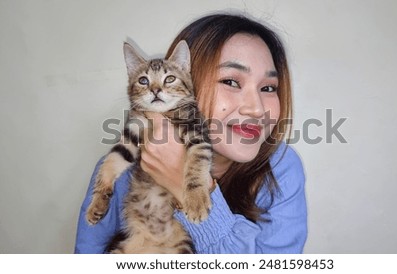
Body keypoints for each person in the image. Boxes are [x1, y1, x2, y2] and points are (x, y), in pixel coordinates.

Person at [75, 13, 307, 254]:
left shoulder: (281, 169)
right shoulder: (120, 173)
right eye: (231, 82)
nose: (256, 108)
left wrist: (187, 186)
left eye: (268, 88)